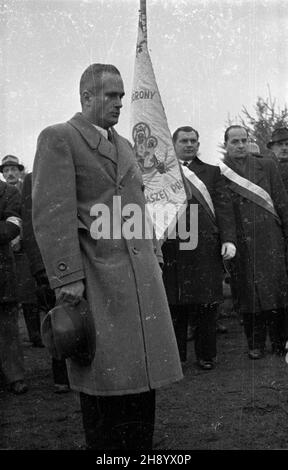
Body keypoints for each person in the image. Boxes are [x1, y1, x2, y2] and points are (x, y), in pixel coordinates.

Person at [32, 63, 182, 450]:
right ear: (86, 97)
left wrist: (154, 254)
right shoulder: (60, 138)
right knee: (104, 383)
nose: (119, 102)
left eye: (121, 95)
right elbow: (52, 215)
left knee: (142, 383)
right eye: (110, 95)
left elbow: (137, 208)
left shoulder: (125, 145)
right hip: (98, 279)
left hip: (140, 279)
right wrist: (66, 277)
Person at [162, 126, 236, 370]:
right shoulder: (161, 172)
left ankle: (206, 356)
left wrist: (228, 239)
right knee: (175, 305)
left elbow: (224, 208)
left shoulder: (212, 173)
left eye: (194, 140)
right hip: (173, 248)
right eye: (184, 140)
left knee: (206, 304)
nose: (190, 144)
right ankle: (177, 357)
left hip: (204, 248)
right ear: (173, 144)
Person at [220, 125, 288, 359]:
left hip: (270, 238)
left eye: (243, 140)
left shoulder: (267, 165)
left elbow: (281, 201)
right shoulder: (220, 171)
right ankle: (255, 344)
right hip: (241, 240)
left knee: (276, 292)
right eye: (234, 141)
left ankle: (280, 342)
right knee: (248, 295)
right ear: (226, 144)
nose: (239, 145)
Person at [21, 172, 70, 393]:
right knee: (59, 319)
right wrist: (40, 267)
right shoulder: (34, 178)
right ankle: (61, 376)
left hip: (85, 255)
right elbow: (31, 225)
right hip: (52, 262)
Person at [0, 155, 43, 348]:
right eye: (6, 170)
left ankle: (36, 335)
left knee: (29, 294)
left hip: (24, 249)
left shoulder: (26, 188)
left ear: (19, 171)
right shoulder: (4, 192)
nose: (10, 173)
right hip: (7, 250)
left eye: (13, 170)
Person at [0, 177, 28, 394]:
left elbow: (12, 227)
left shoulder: (9, 192)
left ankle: (15, 376)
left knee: (8, 327)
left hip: (3, 275)